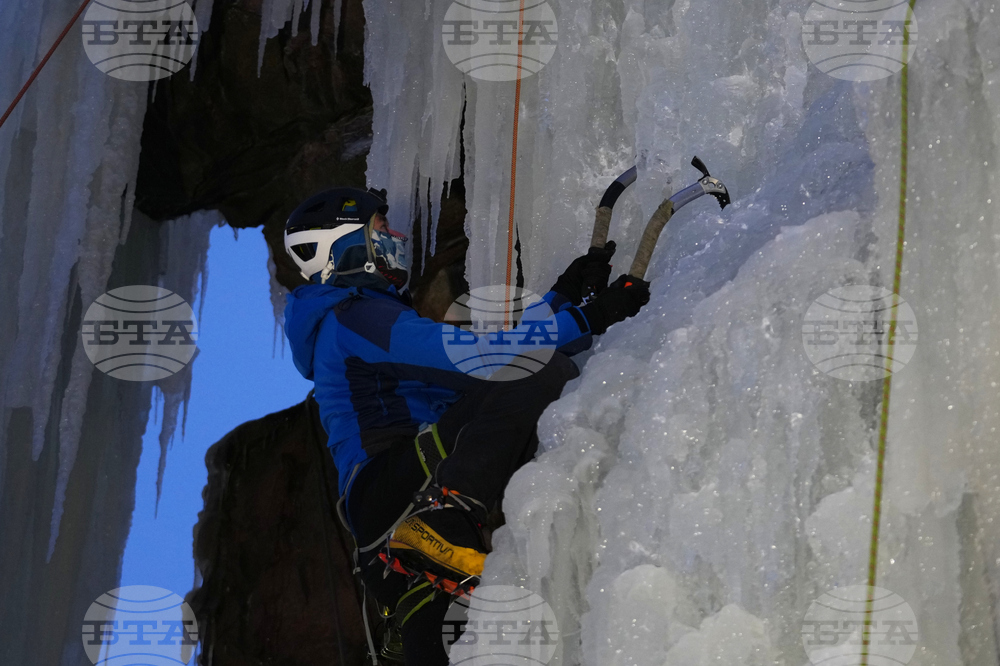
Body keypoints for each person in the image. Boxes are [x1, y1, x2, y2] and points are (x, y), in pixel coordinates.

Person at [283, 186, 649, 664]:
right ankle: (450, 514)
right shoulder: (355, 316)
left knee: (447, 634)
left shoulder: (360, 319)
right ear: (345, 245)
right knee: (542, 373)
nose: (393, 238)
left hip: (387, 530)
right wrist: (591, 315)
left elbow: (489, 386)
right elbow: (485, 360)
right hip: (395, 486)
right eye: (379, 229)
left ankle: (440, 545)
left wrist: (565, 295)